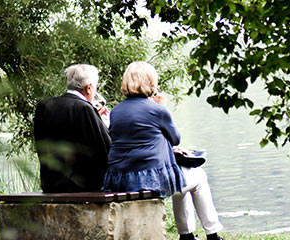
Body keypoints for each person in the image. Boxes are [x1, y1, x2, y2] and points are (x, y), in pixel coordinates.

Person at [102, 61, 223, 240]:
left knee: (181, 179)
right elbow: (175, 139)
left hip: (121, 179)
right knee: (198, 177)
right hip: (149, 180)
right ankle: (212, 234)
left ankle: (187, 235)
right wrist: (163, 108)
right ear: (151, 82)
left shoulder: (116, 111)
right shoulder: (157, 110)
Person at [34, 64, 110, 193]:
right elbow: (104, 148)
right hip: (81, 186)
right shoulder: (84, 108)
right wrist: (104, 123)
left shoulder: (44, 106)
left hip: (51, 183)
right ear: (90, 88)